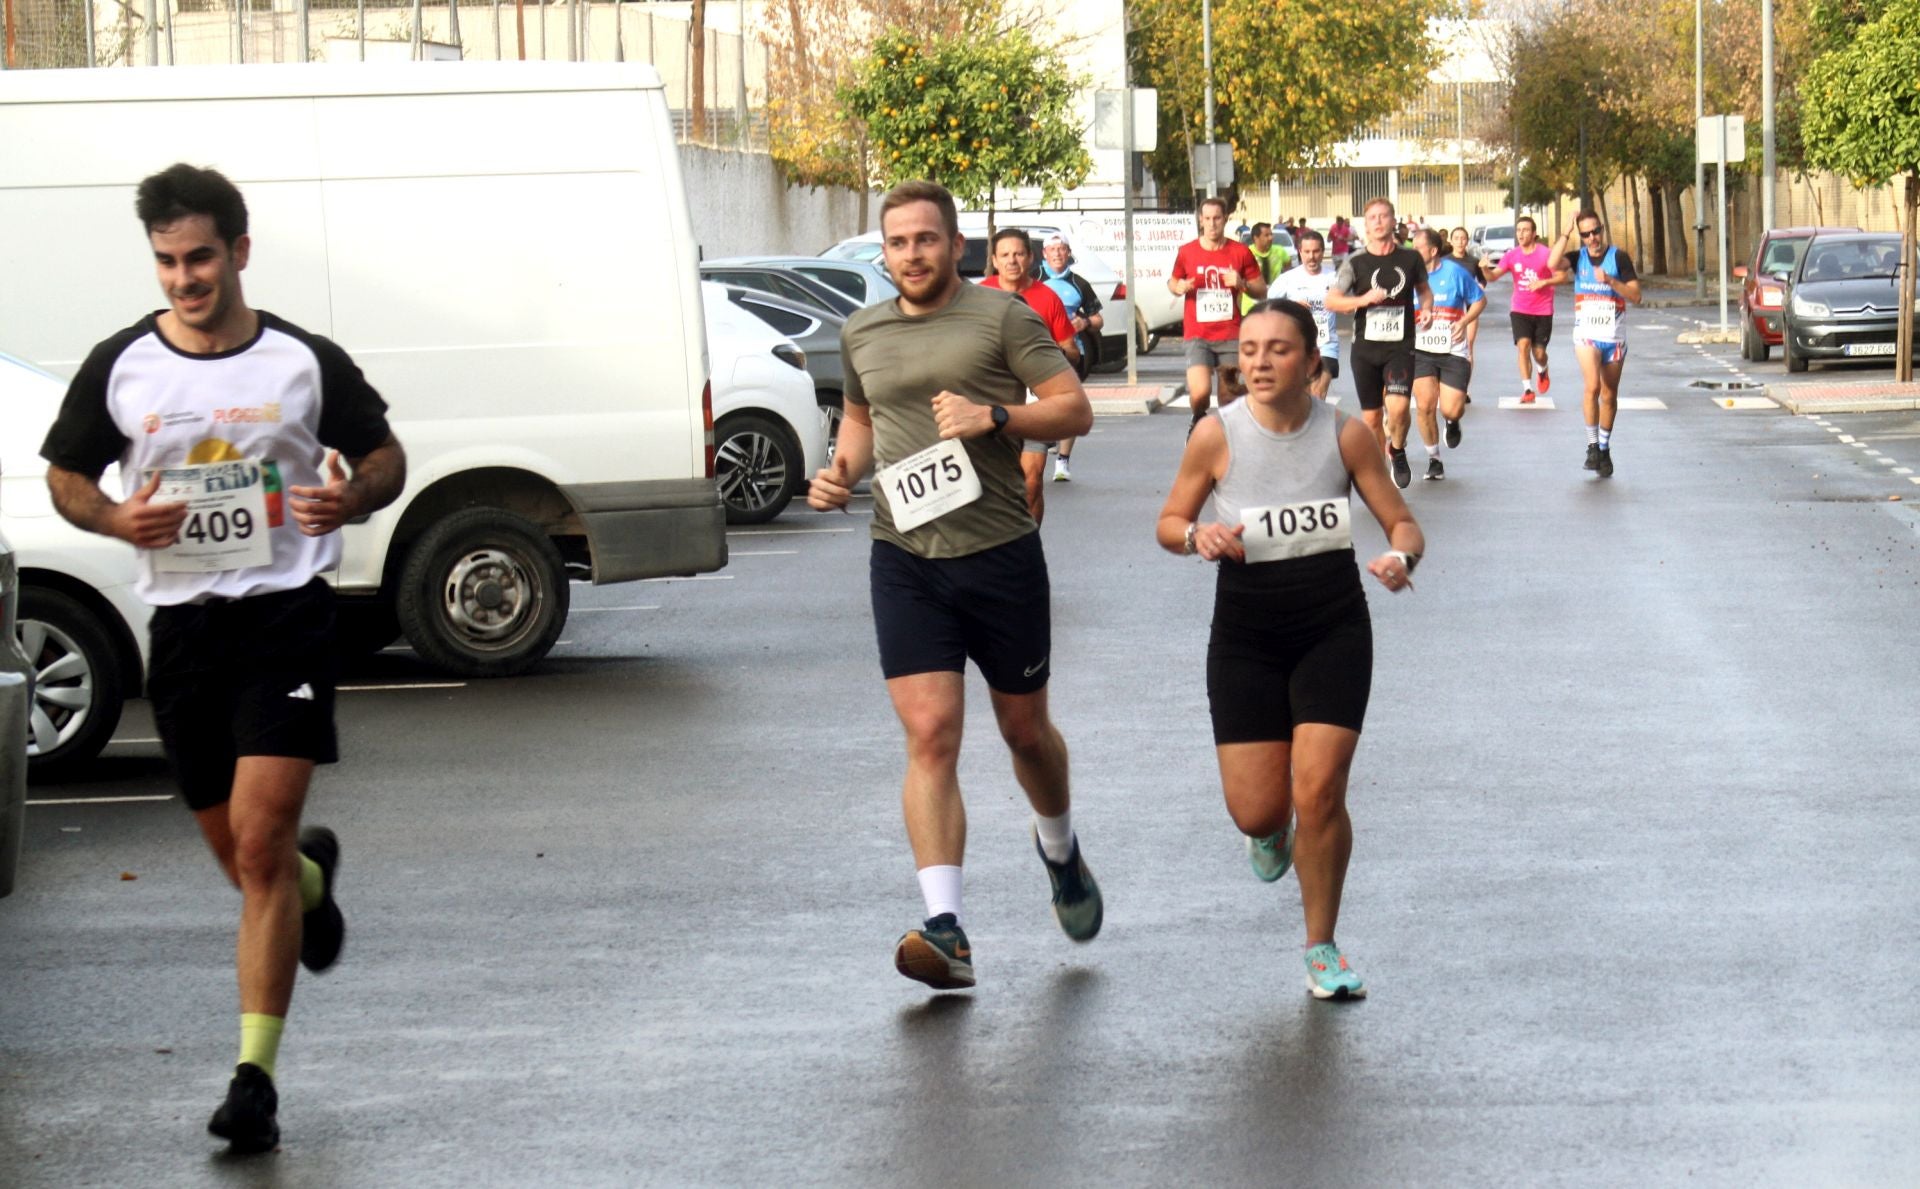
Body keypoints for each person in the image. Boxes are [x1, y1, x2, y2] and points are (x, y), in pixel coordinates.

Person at [38, 163, 406, 1153]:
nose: (184, 279)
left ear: (238, 252)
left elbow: (385, 456)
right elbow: (65, 474)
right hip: (185, 632)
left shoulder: (300, 360)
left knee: (257, 841)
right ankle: (311, 885)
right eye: (166, 261)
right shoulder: (122, 364)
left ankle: (255, 1079)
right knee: (245, 861)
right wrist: (117, 516)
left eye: (200, 257)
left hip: (285, 616)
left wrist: (353, 497)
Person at [807, 180, 1101, 992]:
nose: (912, 255)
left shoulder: (1001, 318)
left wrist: (995, 418)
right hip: (903, 555)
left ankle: (1061, 849)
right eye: (897, 242)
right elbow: (862, 420)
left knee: (1023, 732)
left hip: (1000, 552)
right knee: (931, 732)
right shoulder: (860, 331)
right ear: (884, 249)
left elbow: (1074, 408)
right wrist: (839, 471)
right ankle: (947, 928)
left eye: (926, 240)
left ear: (955, 243)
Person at [1155, 298, 1424, 1001]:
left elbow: (1403, 523)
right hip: (1246, 636)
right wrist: (1196, 537)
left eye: (1277, 349)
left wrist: (1400, 558)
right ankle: (1268, 830)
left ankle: (1322, 946)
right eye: (1247, 350)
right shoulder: (1217, 435)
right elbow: (1170, 520)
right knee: (1258, 809)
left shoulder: (1345, 436)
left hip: (1332, 627)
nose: (1260, 362)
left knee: (1321, 789)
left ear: (1311, 361)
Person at [1325, 197, 1432, 487]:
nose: (1379, 221)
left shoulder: (1410, 259)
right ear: (1366, 224)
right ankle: (1379, 474)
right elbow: (1332, 300)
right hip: (1366, 350)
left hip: (1400, 346)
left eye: (1384, 216)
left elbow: (1424, 291)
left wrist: (1428, 310)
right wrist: (1363, 299)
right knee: (1371, 419)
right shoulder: (1356, 262)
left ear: (1394, 220)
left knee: (1397, 409)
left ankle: (1397, 448)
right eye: (1373, 217)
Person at [980, 228, 1079, 520]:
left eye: (1019, 254)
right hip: (988, 400)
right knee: (989, 486)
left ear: (1031, 258)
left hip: (1034, 402)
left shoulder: (1047, 298)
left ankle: (1028, 547)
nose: (1012, 261)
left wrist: (1049, 359)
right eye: (1005, 255)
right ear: (995, 261)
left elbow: (1070, 350)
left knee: (1032, 482)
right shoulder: (979, 296)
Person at [1543, 211, 1641, 477]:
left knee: (1609, 394)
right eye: (1585, 234)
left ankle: (1605, 448)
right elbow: (1552, 264)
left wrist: (1610, 280)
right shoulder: (1578, 258)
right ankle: (1591, 445)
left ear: (1602, 229)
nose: (1591, 238)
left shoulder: (1618, 258)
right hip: (1587, 334)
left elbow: (1636, 296)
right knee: (1592, 386)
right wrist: (1565, 234)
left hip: (1614, 336)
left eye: (1595, 231)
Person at [1170, 196, 1268, 426]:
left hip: (1230, 334)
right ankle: (1198, 419)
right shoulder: (1187, 252)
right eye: (1207, 218)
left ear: (1225, 219)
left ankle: (1230, 436)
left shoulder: (1240, 252)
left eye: (1217, 218)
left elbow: (1261, 290)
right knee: (1200, 393)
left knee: (1229, 397)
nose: (1212, 223)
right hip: (1198, 334)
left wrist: (1241, 282)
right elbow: (1173, 282)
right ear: (1200, 220)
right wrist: (1179, 287)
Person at [1410, 228, 1486, 481]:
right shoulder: (1409, 277)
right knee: (1424, 405)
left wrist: (1464, 322)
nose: (1413, 252)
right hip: (1421, 349)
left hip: (1453, 350)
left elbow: (1479, 300)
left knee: (1452, 409)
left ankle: (1452, 423)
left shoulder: (1455, 273)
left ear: (1432, 251)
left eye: (1417, 248)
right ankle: (1434, 459)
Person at [1039, 233, 1103, 482]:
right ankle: (1040, 446)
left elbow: (1098, 319)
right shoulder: (1035, 280)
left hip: (1071, 352)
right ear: (1044, 254)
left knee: (1068, 404)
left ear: (1068, 253)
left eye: (1061, 249)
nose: (1057, 254)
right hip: (1038, 350)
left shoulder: (1079, 283)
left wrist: (1084, 321)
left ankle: (1063, 462)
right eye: (1052, 249)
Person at [1480, 215, 1556, 403]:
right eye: (1519, 230)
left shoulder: (1545, 254)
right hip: (1520, 308)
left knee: (1539, 353)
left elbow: (1562, 276)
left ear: (1534, 233)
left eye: (1525, 230)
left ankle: (1542, 369)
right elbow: (1493, 276)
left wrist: (1544, 282)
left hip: (1543, 310)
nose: (1521, 234)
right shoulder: (1512, 255)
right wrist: (1485, 269)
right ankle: (1528, 389)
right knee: (1523, 346)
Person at [1272, 228, 1341, 401]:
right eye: (1307, 252)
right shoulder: (1287, 279)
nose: (1311, 256)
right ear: (1300, 252)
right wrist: (1291, 306)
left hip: (1326, 345)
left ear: (1323, 251)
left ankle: (1316, 426)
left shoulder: (1334, 277)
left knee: (1317, 394)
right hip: (1296, 346)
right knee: (1301, 397)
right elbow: (1269, 307)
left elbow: (1349, 303)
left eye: (1316, 251)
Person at [1241, 222, 1292, 318]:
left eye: (1271, 234)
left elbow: (1288, 269)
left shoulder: (1280, 251)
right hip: (1250, 304)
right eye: (1266, 235)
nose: (1270, 238)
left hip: (1274, 302)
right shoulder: (1246, 253)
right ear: (1256, 238)